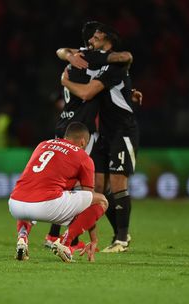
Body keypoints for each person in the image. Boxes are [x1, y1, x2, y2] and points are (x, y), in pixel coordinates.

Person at [44, 21, 134, 251]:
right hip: (88, 130)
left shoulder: (102, 61)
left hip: (115, 130)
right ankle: (65, 237)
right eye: (91, 37)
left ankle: (120, 238)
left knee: (102, 185)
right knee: (90, 188)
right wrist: (68, 55)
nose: (93, 40)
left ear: (106, 38)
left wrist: (65, 73)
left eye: (97, 36)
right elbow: (62, 51)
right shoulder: (87, 57)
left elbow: (125, 58)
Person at [8, 122, 108, 263]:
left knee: (29, 190)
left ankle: (22, 237)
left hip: (15, 204)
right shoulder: (83, 157)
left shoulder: (42, 144)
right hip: (45, 205)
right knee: (102, 200)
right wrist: (94, 239)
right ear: (83, 141)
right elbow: (90, 200)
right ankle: (65, 243)